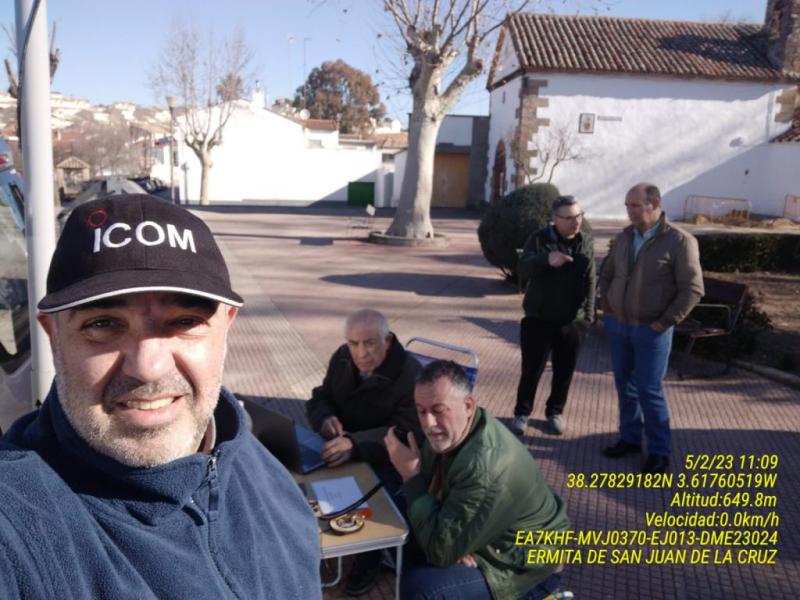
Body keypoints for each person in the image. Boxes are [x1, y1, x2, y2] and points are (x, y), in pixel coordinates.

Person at [0, 194, 321, 598]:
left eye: (185, 321)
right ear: (53, 335)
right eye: (102, 324)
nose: (147, 367)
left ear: (227, 326)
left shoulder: (252, 459)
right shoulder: (16, 523)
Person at [385, 360, 570, 600]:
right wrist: (456, 544)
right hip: (492, 532)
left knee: (422, 588)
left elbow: (441, 551)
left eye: (438, 410)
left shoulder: (484, 466)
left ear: (468, 405)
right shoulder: (455, 430)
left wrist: (411, 477)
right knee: (394, 511)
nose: (428, 423)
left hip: (525, 562)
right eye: (421, 411)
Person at [306, 308, 422, 596]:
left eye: (369, 343)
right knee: (302, 473)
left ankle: (370, 555)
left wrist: (356, 444)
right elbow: (321, 396)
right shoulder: (342, 357)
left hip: (387, 458)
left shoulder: (410, 374)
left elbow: (407, 430)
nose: (360, 353)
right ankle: (314, 538)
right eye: (353, 343)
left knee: (377, 496)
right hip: (340, 446)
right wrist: (325, 418)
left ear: (387, 341)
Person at [598, 183, 703, 474]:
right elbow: (607, 274)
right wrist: (608, 309)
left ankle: (659, 451)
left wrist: (663, 323)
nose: (629, 211)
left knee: (649, 390)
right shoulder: (625, 237)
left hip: (652, 331)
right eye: (627, 205)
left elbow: (692, 289)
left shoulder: (680, 241)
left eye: (634, 205)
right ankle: (630, 439)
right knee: (625, 386)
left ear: (654, 203)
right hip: (619, 326)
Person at [511, 195, 596, 437]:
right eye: (568, 218)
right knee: (531, 370)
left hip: (572, 321)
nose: (575, 222)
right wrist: (546, 259)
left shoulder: (586, 241)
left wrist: (588, 316)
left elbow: (591, 278)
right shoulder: (538, 239)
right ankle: (522, 413)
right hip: (539, 318)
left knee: (564, 371)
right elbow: (522, 270)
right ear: (554, 219)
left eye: (578, 216)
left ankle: (555, 412)